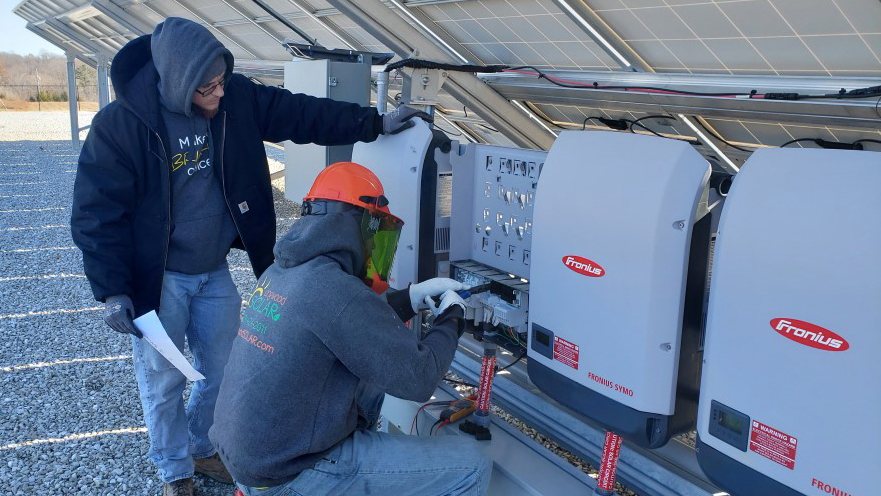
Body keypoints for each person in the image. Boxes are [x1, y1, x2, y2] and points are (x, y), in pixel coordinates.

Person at [70, 17, 428, 496]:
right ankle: (175, 473)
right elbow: (96, 211)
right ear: (178, 85)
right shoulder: (123, 125)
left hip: (213, 270)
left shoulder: (233, 98)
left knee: (224, 370)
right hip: (160, 280)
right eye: (208, 88)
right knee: (162, 382)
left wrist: (372, 123)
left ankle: (201, 446)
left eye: (222, 82)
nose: (220, 94)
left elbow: (299, 114)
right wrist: (112, 289)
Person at [210, 162, 492, 496]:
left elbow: (348, 323)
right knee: (472, 465)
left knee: (371, 371)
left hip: (248, 458)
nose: (374, 248)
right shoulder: (333, 290)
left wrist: (410, 298)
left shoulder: (284, 271)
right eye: (374, 235)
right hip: (289, 472)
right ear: (354, 227)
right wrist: (452, 317)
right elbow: (420, 376)